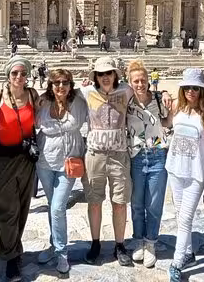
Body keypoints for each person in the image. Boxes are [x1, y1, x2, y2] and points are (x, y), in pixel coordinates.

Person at [80, 57, 171, 266]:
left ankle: (120, 245)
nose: (105, 77)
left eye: (108, 73)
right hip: (95, 154)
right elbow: (60, 94)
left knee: (120, 203)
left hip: (121, 155)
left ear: (115, 75)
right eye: (101, 74)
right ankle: (95, 244)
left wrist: (164, 92)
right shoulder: (86, 92)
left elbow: (148, 92)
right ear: (95, 76)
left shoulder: (126, 91)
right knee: (95, 202)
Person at [0, 56, 39, 282]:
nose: (19, 77)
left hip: (25, 157)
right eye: (15, 73)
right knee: (6, 209)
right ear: (7, 75)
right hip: (3, 157)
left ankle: (14, 250)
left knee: (22, 207)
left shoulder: (33, 96)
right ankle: (10, 257)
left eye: (23, 73)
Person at [35, 69, 88, 274]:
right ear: (50, 85)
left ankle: (61, 252)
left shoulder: (80, 102)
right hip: (44, 162)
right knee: (52, 206)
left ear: (70, 84)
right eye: (56, 82)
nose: (61, 86)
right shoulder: (42, 102)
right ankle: (53, 243)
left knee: (57, 207)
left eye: (65, 82)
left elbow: (101, 95)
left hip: (69, 163)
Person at [166, 69, 204, 282]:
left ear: (202, 90)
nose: (191, 91)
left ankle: (176, 262)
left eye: (195, 88)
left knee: (186, 218)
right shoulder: (177, 107)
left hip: (196, 173)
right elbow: (166, 124)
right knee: (180, 215)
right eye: (187, 87)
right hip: (175, 168)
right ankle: (188, 253)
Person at [126, 61, 170, 268]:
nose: (140, 84)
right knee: (136, 203)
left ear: (149, 81)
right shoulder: (125, 102)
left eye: (143, 80)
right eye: (136, 81)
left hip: (157, 155)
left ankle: (150, 242)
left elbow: (168, 122)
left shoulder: (160, 99)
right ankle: (138, 241)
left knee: (153, 204)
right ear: (130, 83)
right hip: (136, 155)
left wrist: (167, 95)